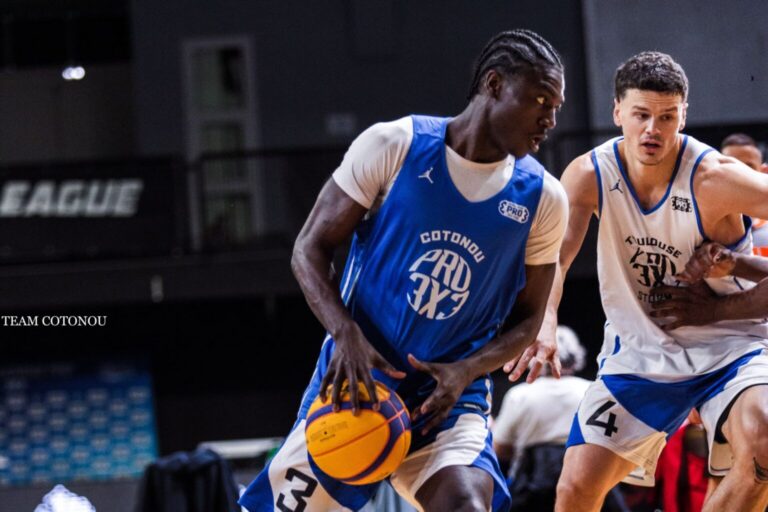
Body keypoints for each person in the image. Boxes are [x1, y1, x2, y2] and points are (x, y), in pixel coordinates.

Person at [239, 29, 568, 512]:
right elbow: (309, 248)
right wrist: (344, 332)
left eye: (556, 107)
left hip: (449, 400)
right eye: (540, 100)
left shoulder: (543, 198)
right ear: (494, 85)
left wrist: (466, 372)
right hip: (357, 385)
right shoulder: (394, 144)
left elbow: (529, 321)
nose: (550, 120)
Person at [505, 51, 768, 512]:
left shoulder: (717, 178)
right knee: (574, 489)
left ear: (683, 116)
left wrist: (718, 310)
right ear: (617, 112)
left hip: (731, 348)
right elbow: (555, 261)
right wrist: (543, 321)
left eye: (667, 117)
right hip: (641, 353)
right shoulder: (589, 173)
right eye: (642, 115)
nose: (653, 129)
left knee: (765, 441)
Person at [493, 325, 590, 511]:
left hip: (531, 491)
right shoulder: (591, 391)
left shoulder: (520, 395)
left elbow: (501, 450)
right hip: (583, 482)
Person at [720, 133, 768, 256]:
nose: (741, 174)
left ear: (764, 172)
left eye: (748, 166)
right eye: (733, 166)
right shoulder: (704, 227)